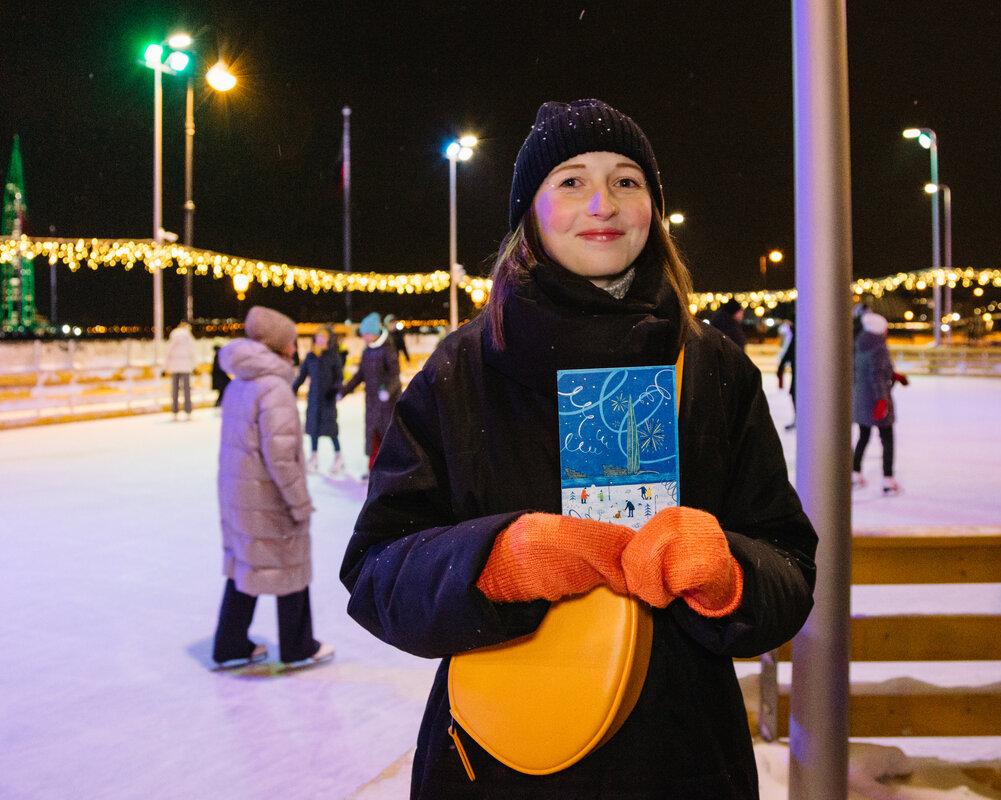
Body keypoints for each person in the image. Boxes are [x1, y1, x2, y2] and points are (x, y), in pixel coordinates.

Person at [340, 99, 817, 798]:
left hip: (683, 762)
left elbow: (790, 568)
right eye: (571, 181)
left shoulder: (715, 369)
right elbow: (377, 572)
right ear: (528, 211)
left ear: (653, 208)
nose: (604, 201)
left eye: (628, 180)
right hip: (497, 762)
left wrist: (731, 573)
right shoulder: (460, 370)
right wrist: (495, 561)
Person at [212, 306, 334, 669]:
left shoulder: (239, 382)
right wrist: (299, 503)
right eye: (292, 344)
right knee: (289, 561)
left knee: (246, 564)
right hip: (268, 498)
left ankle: (230, 643)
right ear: (279, 346)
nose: (296, 350)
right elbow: (281, 457)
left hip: (239, 497)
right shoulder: (274, 389)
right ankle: (299, 646)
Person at [340, 312, 401, 478]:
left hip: (387, 404)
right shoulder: (367, 351)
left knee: (387, 437)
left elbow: (395, 375)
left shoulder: (388, 348)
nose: (363, 337)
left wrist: (387, 391)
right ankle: (373, 469)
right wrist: (344, 390)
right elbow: (360, 375)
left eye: (365, 334)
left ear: (374, 334)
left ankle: (390, 471)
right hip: (372, 402)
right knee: (373, 437)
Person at [852, 309, 900, 494]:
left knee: (863, 436)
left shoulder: (860, 343)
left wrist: (895, 375)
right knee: (887, 439)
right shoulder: (879, 347)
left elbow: (869, 370)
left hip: (862, 398)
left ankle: (855, 473)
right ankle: (888, 478)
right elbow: (877, 375)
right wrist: (882, 400)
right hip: (876, 401)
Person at [292, 324, 345, 473]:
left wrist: (334, 390)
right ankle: (313, 457)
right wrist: (293, 389)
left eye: (323, 338)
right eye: (318, 337)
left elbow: (339, 378)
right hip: (314, 399)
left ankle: (338, 456)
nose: (320, 340)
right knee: (313, 429)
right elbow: (301, 376)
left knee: (331, 430)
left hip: (328, 399)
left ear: (329, 340)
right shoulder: (310, 357)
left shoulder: (333, 356)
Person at [164, 320, 197, 419]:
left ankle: (175, 411)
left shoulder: (174, 334)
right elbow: (192, 351)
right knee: (187, 389)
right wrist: (195, 366)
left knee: (175, 389)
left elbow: (168, 350)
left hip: (174, 364)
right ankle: (188, 411)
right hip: (186, 364)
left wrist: (165, 366)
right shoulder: (187, 335)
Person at [210, 340, 230, 407]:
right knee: (222, 392)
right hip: (221, 379)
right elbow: (220, 367)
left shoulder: (217, 355)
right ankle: (218, 405)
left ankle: (219, 404)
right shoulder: (219, 355)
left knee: (222, 393)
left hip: (219, 379)